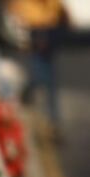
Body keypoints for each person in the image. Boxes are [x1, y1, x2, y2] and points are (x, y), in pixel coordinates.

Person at [11, 0, 67, 136]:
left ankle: (53, 120)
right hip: (34, 32)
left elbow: (58, 11)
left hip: (50, 32)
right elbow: (18, 14)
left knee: (49, 79)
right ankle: (27, 92)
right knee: (40, 75)